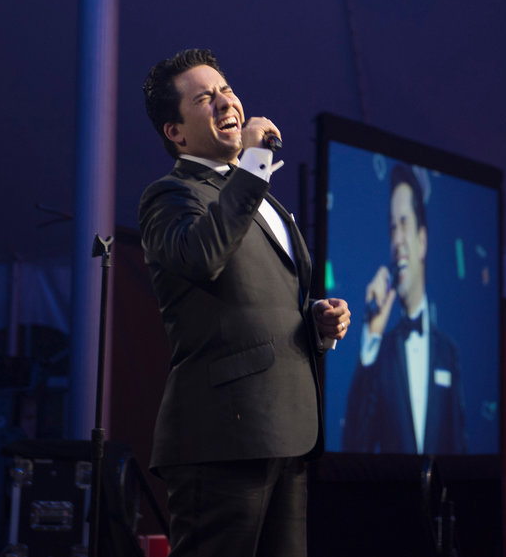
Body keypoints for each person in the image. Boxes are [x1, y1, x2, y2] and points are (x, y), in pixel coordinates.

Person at [138, 48, 351, 557]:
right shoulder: (171, 194)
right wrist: (253, 164)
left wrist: (319, 324)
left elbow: (263, 302)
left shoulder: (265, 200)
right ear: (176, 132)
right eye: (204, 98)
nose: (224, 102)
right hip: (222, 435)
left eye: (226, 90)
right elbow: (203, 256)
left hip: (288, 429)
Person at [341, 162, 467, 454]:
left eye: (404, 223)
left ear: (422, 241)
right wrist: (371, 334)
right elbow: (354, 444)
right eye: (392, 228)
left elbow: (460, 447)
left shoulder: (449, 353)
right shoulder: (379, 352)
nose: (397, 239)